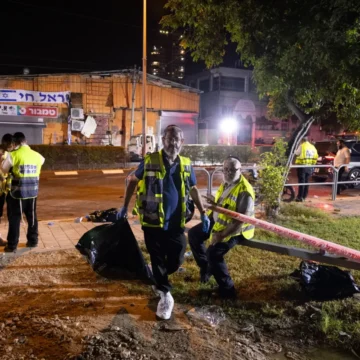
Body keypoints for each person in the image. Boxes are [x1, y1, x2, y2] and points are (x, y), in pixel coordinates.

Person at [117, 125, 209, 320]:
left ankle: (157, 277)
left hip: (176, 222)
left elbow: (192, 188)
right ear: (163, 140)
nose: (173, 143)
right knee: (157, 258)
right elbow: (133, 180)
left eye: (176, 139)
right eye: (169, 139)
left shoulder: (185, 163)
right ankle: (165, 294)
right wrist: (124, 206)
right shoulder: (150, 161)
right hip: (152, 222)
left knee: (177, 258)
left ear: (182, 142)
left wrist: (203, 212)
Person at [188, 156, 255, 299]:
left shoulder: (245, 190)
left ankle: (228, 291)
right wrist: (214, 205)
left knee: (213, 253)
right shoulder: (227, 183)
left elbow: (240, 221)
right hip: (219, 222)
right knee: (194, 234)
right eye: (225, 169)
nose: (229, 173)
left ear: (240, 170)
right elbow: (225, 205)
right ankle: (206, 268)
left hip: (236, 230)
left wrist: (221, 235)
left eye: (233, 170)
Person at [1, 132, 45, 252]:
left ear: (15, 143)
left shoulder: (13, 155)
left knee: (14, 218)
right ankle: (33, 241)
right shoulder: (37, 155)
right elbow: (42, 161)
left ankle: (12, 245)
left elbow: (4, 169)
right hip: (32, 193)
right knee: (32, 217)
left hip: (17, 194)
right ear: (25, 141)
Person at [294, 136, 318, 202]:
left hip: (302, 166)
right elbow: (316, 156)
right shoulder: (312, 147)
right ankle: (304, 196)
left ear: (301, 140)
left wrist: (294, 150)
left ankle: (299, 197)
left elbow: (296, 153)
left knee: (302, 182)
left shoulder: (302, 146)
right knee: (306, 182)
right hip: (310, 166)